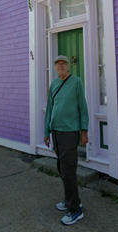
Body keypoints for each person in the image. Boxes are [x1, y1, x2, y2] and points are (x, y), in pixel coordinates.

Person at [44, 55, 89, 226]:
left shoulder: (76, 82)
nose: (61, 66)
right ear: (55, 67)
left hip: (70, 132)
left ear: (68, 66)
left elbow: (82, 107)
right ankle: (71, 200)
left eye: (63, 64)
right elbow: (49, 107)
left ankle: (75, 210)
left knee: (68, 170)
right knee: (61, 168)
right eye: (58, 64)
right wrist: (46, 131)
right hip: (56, 132)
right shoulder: (54, 84)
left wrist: (84, 131)